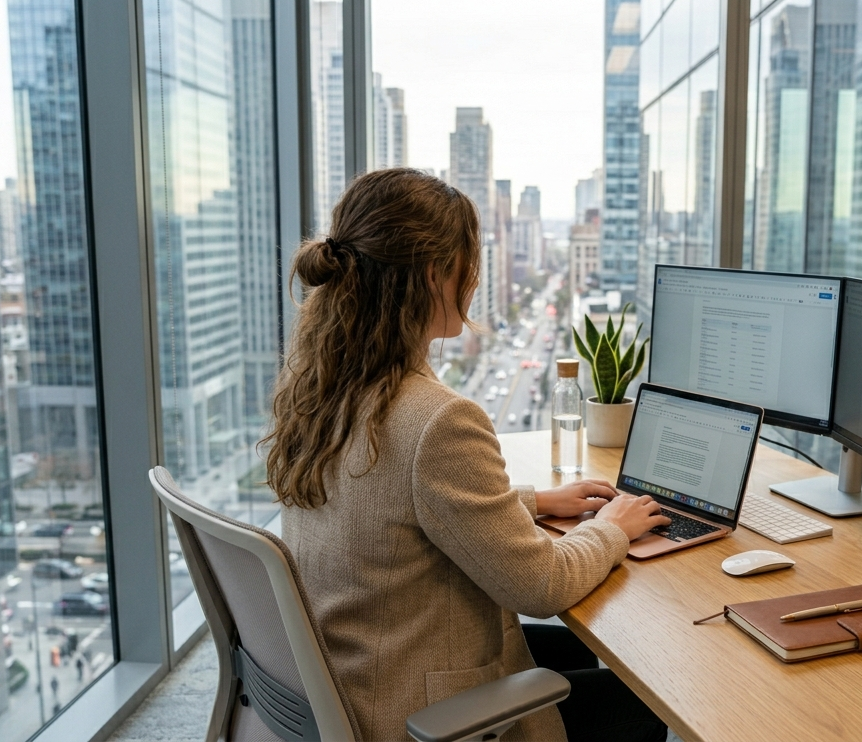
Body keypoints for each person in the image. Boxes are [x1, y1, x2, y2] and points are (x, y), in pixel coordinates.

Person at [264, 168, 670, 742]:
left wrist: (529, 501)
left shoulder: (320, 391)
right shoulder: (438, 420)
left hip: (355, 680)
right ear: (436, 275)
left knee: (581, 652)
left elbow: (399, 505)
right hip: (419, 714)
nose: (473, 282)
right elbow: (541, 587)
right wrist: (613, 528)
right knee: (647, 694)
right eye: (469, 265)